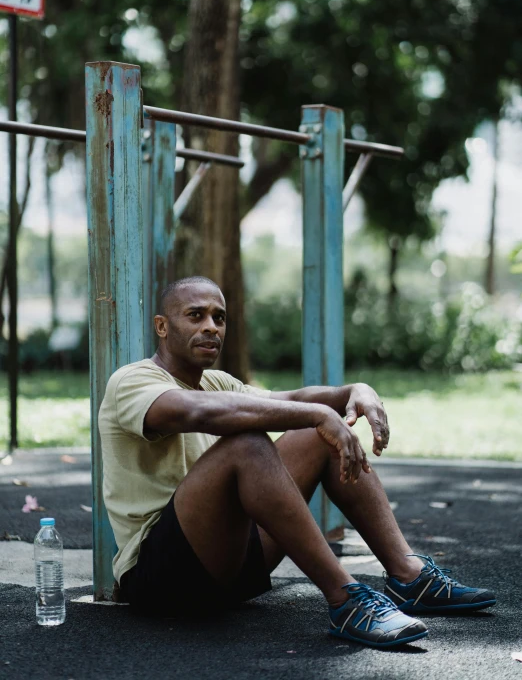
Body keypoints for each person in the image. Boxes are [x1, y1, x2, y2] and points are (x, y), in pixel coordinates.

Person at [99, 276, 496, 649]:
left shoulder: (217, 381)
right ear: (162, 327)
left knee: (314, 435)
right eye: (195, 315)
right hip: (162, 577)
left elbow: (288, 401)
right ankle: (346, 600)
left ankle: (410, 577)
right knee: (249, 444)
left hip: (232, 566)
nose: (211, 327)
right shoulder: (132, 381)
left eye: (219, 318)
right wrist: (317, 413)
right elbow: (193, 412)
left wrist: (351, 392)